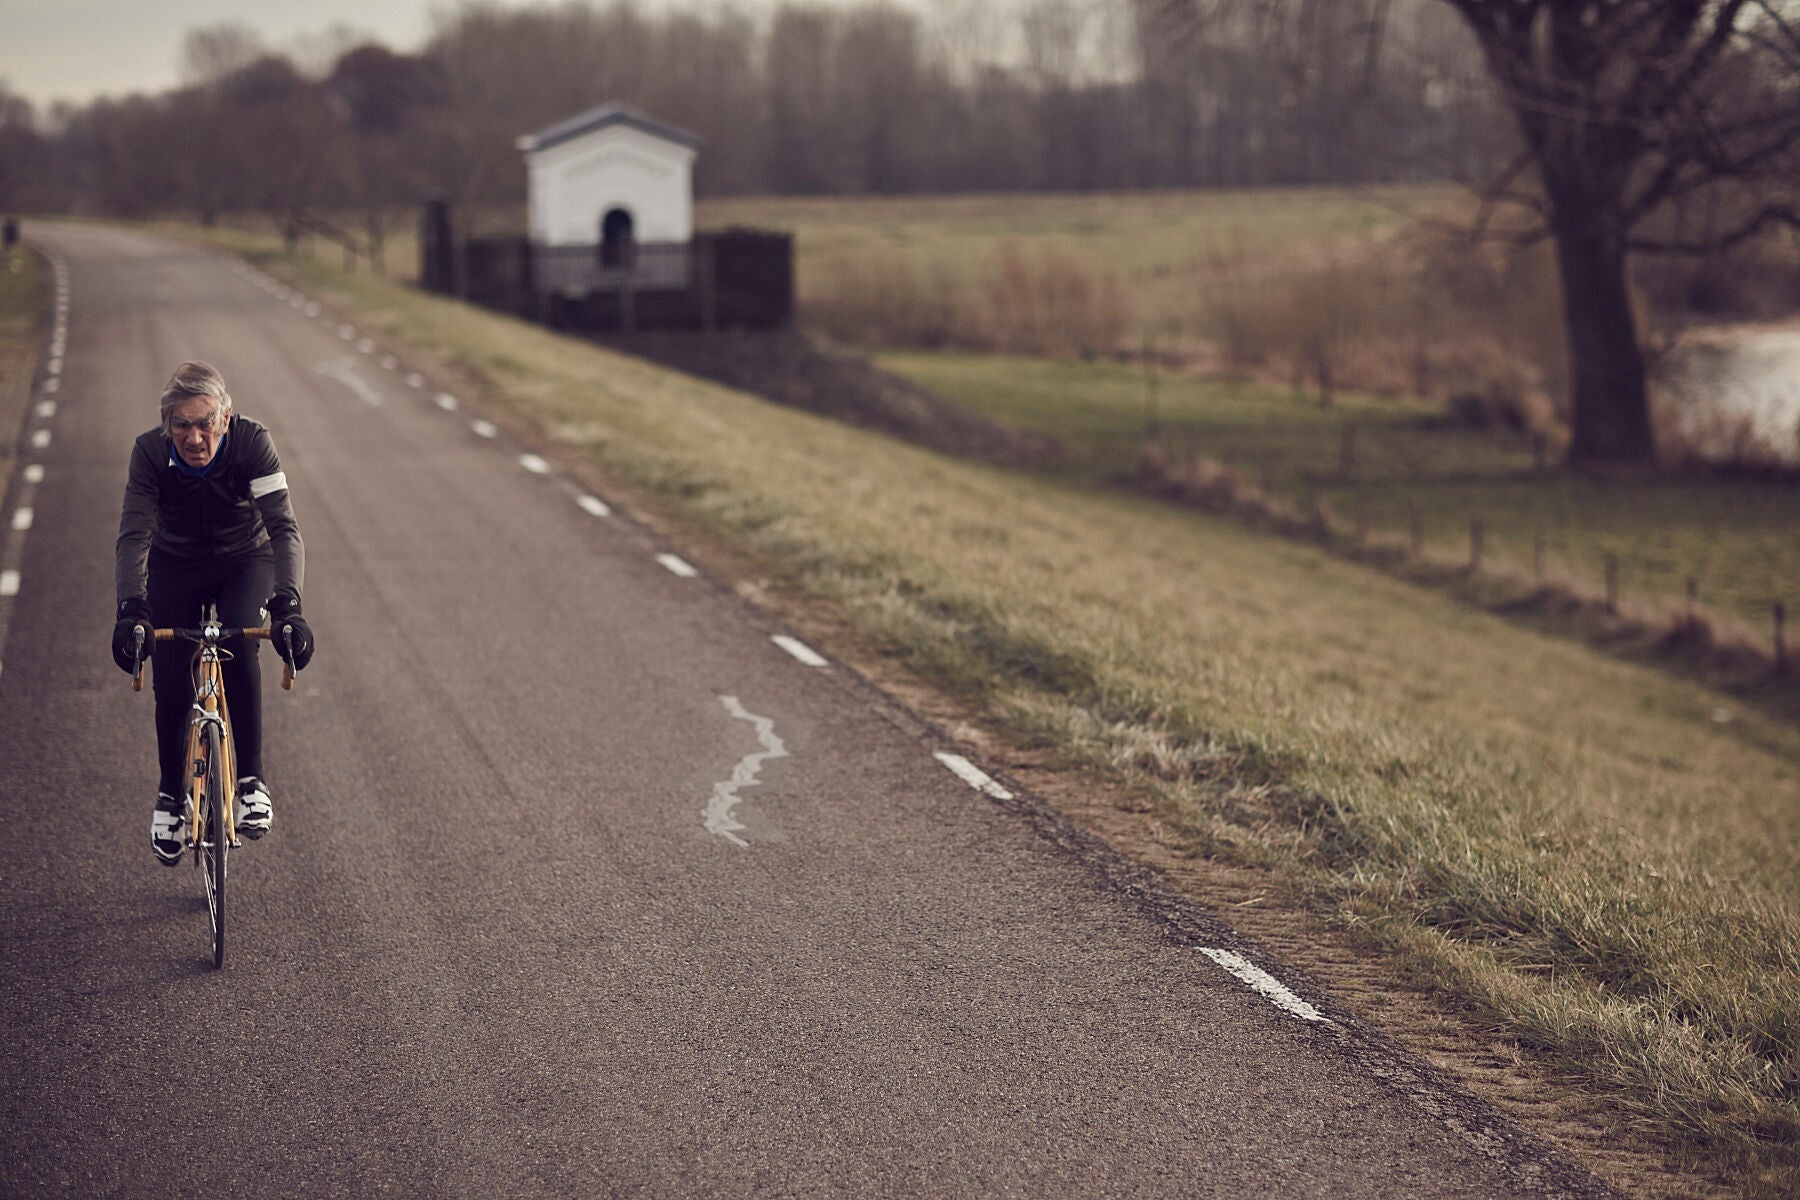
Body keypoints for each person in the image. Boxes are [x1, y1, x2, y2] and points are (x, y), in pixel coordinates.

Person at [112, 361, 314, 864]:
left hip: (244, 558)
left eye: (205, 423)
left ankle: (251, 781)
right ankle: (169, 795)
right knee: (170, 677)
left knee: (240, 646)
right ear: (167, 425)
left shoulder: (252, 443)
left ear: (226, 416)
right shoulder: (149, 453)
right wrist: (131, 608)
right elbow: (134, 535)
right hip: (174, 562)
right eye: (182, 425)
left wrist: (288, 604)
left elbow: (283, 528)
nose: (195, 437)